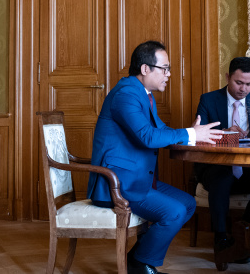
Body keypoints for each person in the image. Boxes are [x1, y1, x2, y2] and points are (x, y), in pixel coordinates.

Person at [87, 41, 224, 274]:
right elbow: (148, 137)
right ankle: (141, 265)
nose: (169, 74)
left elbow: (161, 132)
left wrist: (193, 135)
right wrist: (190, 133)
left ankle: (137, 260)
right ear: (145, 69)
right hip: (118, 184)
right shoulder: (127, 94)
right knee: (174, 211)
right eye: (165, 68)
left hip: (137, 179)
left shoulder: (144, 94)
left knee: (188, 203)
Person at [194, 57, 250, 263]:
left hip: (248, 167)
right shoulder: (209, 100)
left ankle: (242, 231)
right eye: (238, 82)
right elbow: (199, 135)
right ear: (228, 77)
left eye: (248, 84)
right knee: (222, 174)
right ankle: (221, 238)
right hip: (215, 167)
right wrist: (225, 133)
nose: (243, 88)